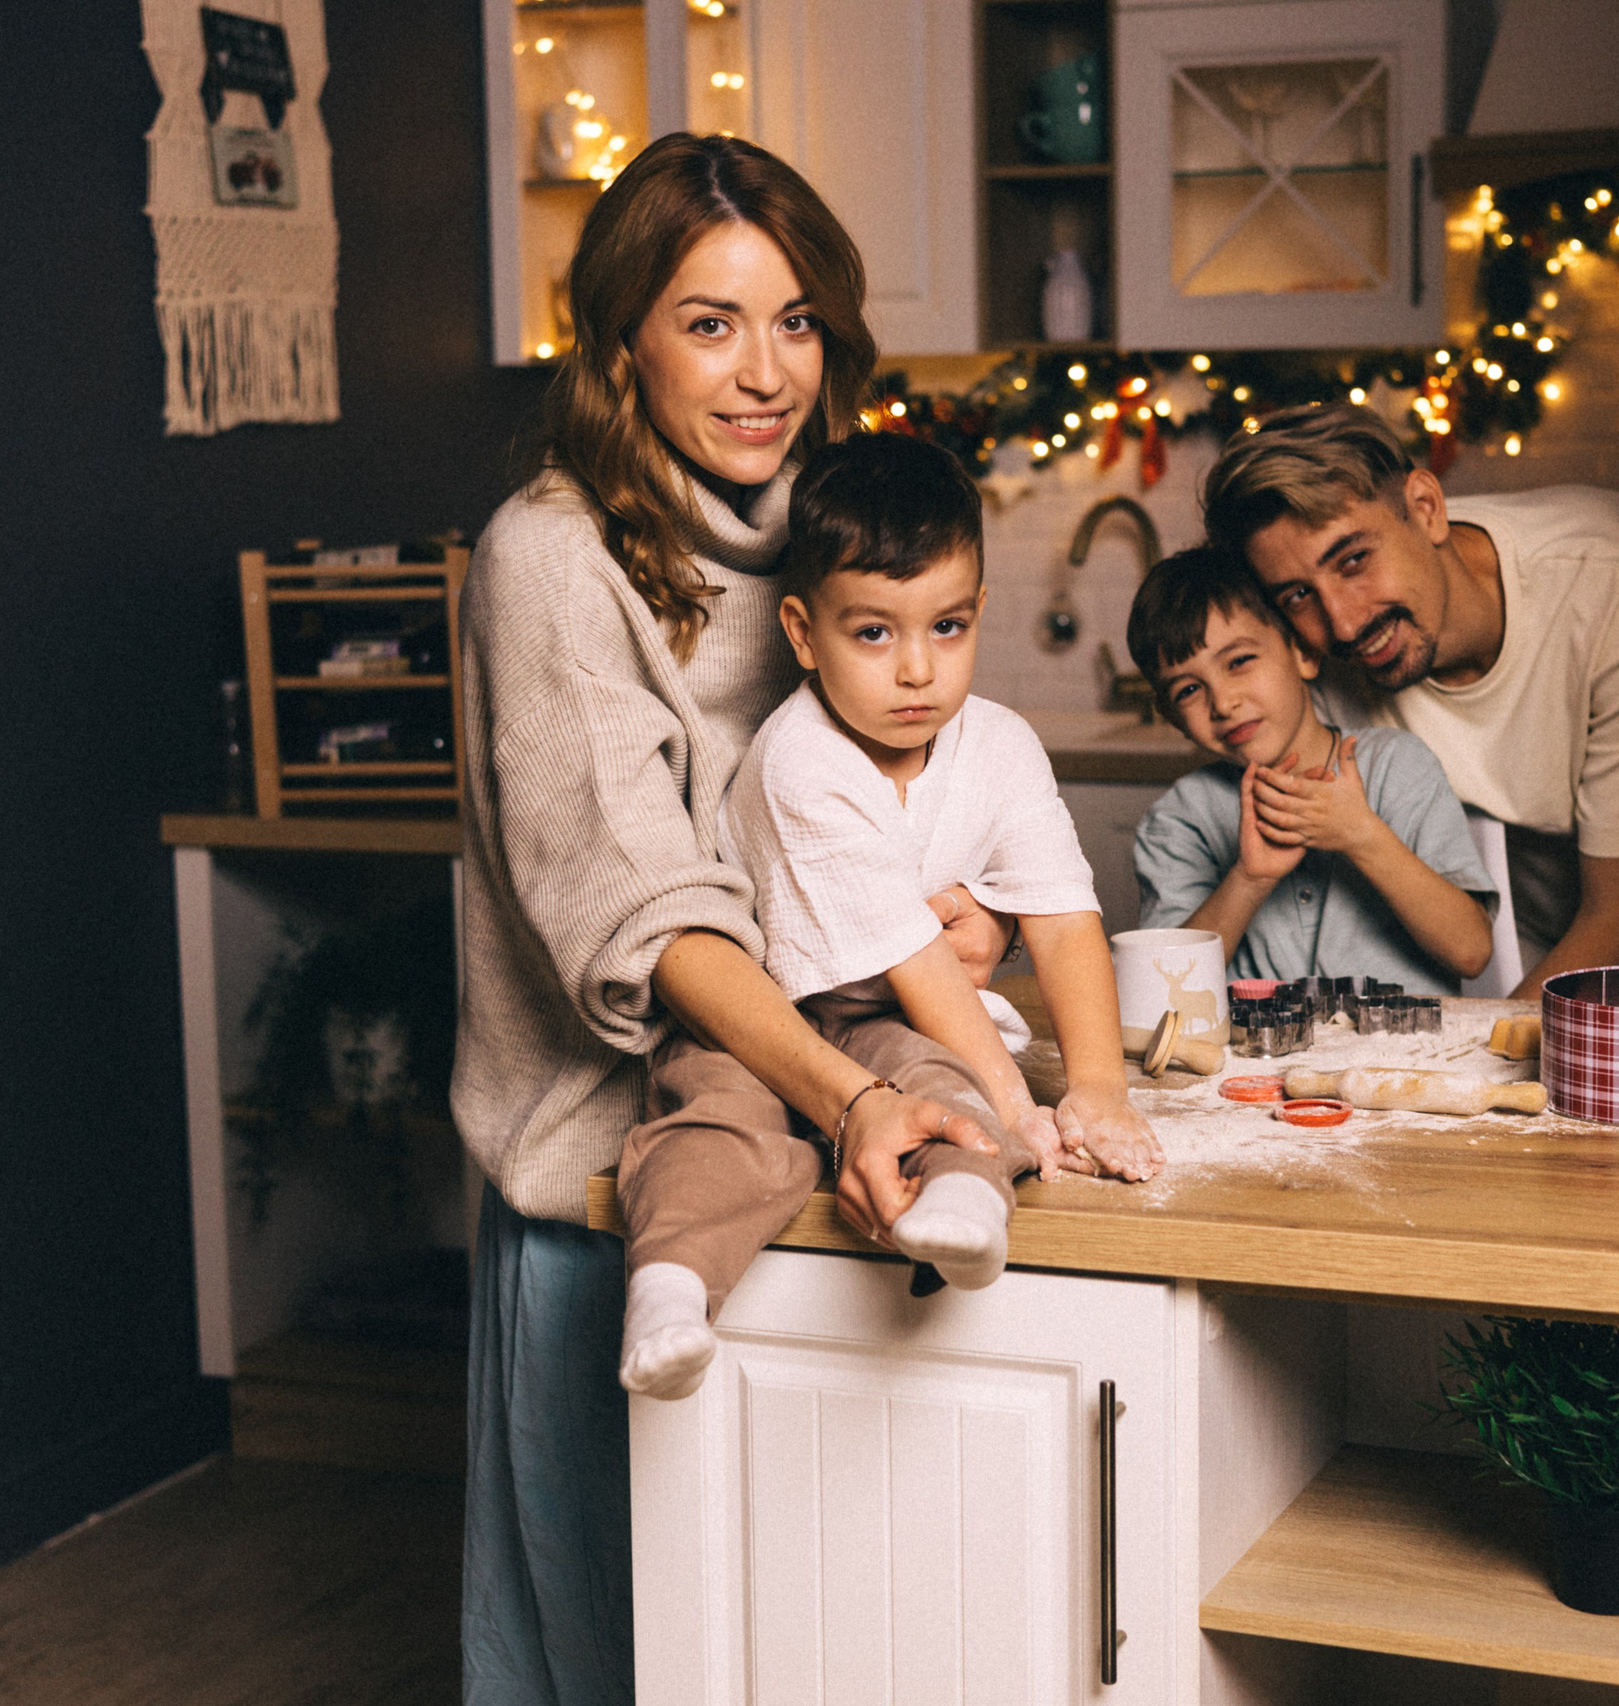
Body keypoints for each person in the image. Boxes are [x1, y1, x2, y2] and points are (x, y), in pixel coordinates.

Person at [451, 134, 1151, 1706]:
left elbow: (878, 811)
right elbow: (652, 915)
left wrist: (943, 929)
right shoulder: (552, 558)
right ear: (618, 339)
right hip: (618, 1191)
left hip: (835, 1150)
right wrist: (860, 1089)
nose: (765, 372)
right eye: (709, 323)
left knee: (798, 1648)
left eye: (796, 322)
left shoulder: (832, 539)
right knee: (616, 1661)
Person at [614, 434, 1163, 1399]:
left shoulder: (1002, 746)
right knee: (719, 1121)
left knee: (944, 1084)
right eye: (873, 633)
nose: (917, 670)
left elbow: (1063, 914)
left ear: (980, 609)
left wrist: (1098, 1089)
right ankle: (669, 1292)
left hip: (889, 1020)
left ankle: (964, 1214)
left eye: (947, 628)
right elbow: (916, 957)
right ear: (801, 633)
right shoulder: (802, 759)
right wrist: (1020, 1109)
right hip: (762, 1024)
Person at [1201, 404, 1619, 992]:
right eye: (1298, 595)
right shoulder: (1321, 653)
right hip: (1547, 922)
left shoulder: (1618, 588)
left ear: (1426, 508)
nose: (1343, 622)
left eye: (1354, 560)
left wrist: (1480, 1047)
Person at [1126, 544, 1495, 993]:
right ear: (1173, 719)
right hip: (1249, 1042)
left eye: (1239, 662)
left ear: (1303, 652)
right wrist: (1249, 880)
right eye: (1188, 690)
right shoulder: (1179, 819)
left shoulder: (1397, 766)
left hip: (1404, 1038)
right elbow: (1157, 991)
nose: (1222, 702)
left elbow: (1471, 952)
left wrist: (1362, 836)